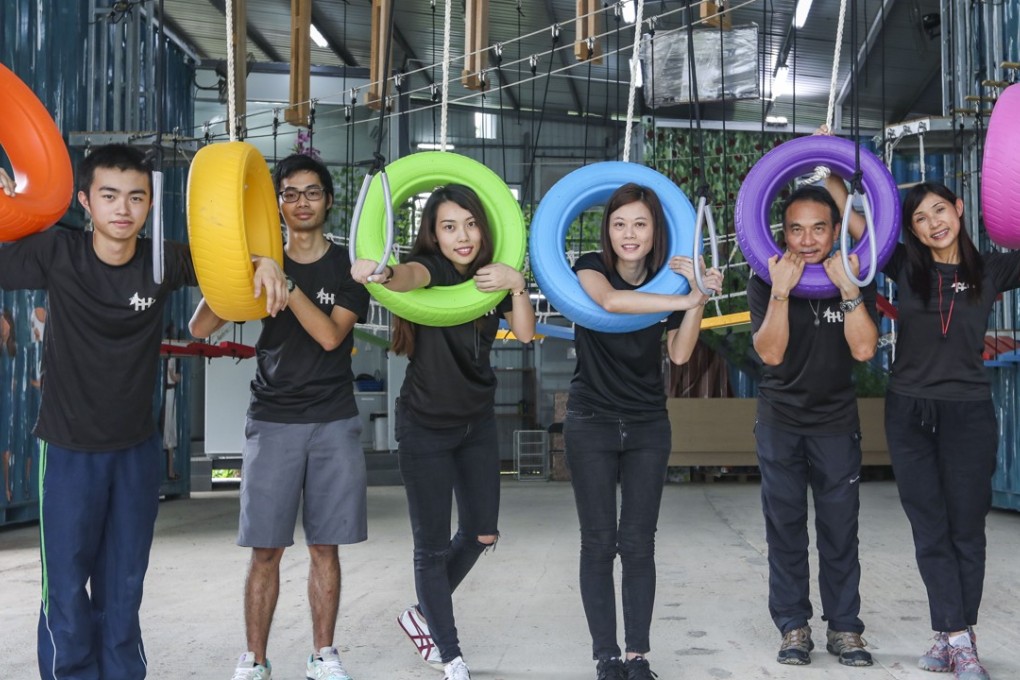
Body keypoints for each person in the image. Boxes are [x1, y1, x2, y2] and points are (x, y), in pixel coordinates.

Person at [0, 145, 287, 680]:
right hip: (67, 449)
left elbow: (231, 264)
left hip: (135, 450)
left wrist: (266, 259)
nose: (123, 209)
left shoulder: (163, 259)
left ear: (151, 204)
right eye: (109, 196)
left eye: (137, 197)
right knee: (64, 585)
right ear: (85, 200)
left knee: (124, 583)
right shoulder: (56, 253)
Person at [190, 153, 370, 680]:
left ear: (329, 200)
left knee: (323, 546)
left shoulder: (349, 267)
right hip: (272, 418)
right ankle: (255, 659)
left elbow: (332, 336)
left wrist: (286, 285)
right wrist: (239, 265)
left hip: (333, 417)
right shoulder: (260, 261)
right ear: (278, 204)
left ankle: (323, 655)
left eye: (311, 192)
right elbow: (202, 327)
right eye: (289, 193)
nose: (301, 202)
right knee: (265, 549)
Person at [351, 183, 536, 680]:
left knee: (482, 532)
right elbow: (408, 275)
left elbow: (524, 333)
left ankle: (421, 613)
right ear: (433, 233)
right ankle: (450, 653)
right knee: (430, 547)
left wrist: (516, 284)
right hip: (426, 425)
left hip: (476, 422)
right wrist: (385, 272)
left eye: (471, 224)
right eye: (449, 226)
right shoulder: (432, 271)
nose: (463, 236)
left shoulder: (491, 277)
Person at [563, 183, 722, 680]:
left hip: (649, 422)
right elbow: (610, 303)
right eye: (619, 224)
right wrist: (681, 297)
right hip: (591, 420)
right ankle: (605, 657)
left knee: (638, 543)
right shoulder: (591, 266)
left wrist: (698, 295)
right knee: (598, 541)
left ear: (656, 232)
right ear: (607, 231)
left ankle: (637, 657)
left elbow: (678, 354)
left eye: (640, 224)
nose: (629, 234)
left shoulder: (669, 281)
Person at [875, 182, 1013, 680]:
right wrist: (831, 160)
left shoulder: (991, 269)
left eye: (940, 210)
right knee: (929, 527)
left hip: (968, 413)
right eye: (920, 219)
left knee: (966, 530)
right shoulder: (906, 268)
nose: (934, 223)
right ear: (911, 230)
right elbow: (849, 215)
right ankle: (958, 638)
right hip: (909, 413)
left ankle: (953, 632)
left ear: (958, 209)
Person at [748, 184, 879, 668]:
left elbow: (864, 350)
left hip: (835, 422)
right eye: (796, 229)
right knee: (784, 528)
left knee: (840, 529)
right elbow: (771, 353)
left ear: (834, 231)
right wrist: (782, 290)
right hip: (781, 421)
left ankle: (845, 628)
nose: (807, 240)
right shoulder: (766, 278)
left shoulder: (854, 270)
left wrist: (848, 288)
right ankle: (793, 627)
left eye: (819, 228)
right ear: (782, 234)